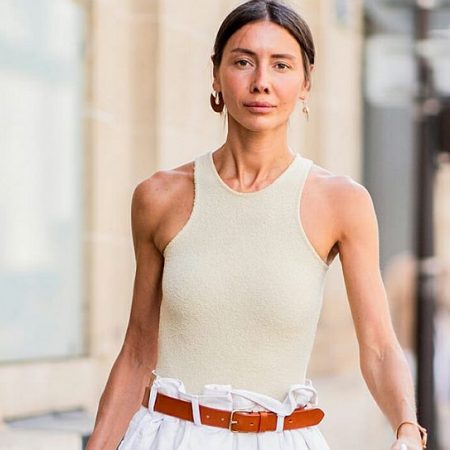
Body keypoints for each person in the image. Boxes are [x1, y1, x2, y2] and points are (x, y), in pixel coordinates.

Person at [86, 1, 428, 449]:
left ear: (306, 82)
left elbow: (380, 347)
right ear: (216, 75)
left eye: (281, 65)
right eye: (243, 62)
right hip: (168, 436)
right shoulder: (159, 197)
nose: (261, 81)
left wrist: (407, 428)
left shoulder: (341, 202)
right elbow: (136, 352)